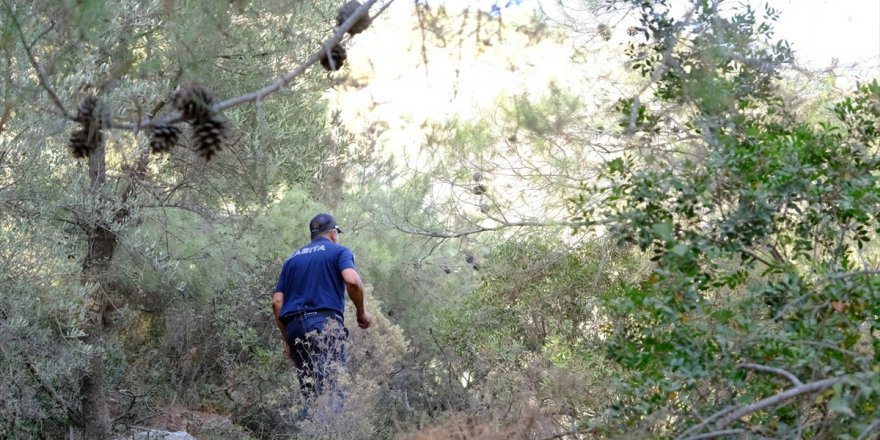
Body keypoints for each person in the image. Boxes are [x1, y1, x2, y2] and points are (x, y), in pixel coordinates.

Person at [271, 213, 372, 407]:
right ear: (333, 234)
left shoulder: (291, 259)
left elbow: (277, 302)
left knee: (311, 396)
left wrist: (288, 342)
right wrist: (361, 312)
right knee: (332, 392)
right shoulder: (339, 251)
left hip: (295, 330)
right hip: (324, 326)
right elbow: (351, 280)